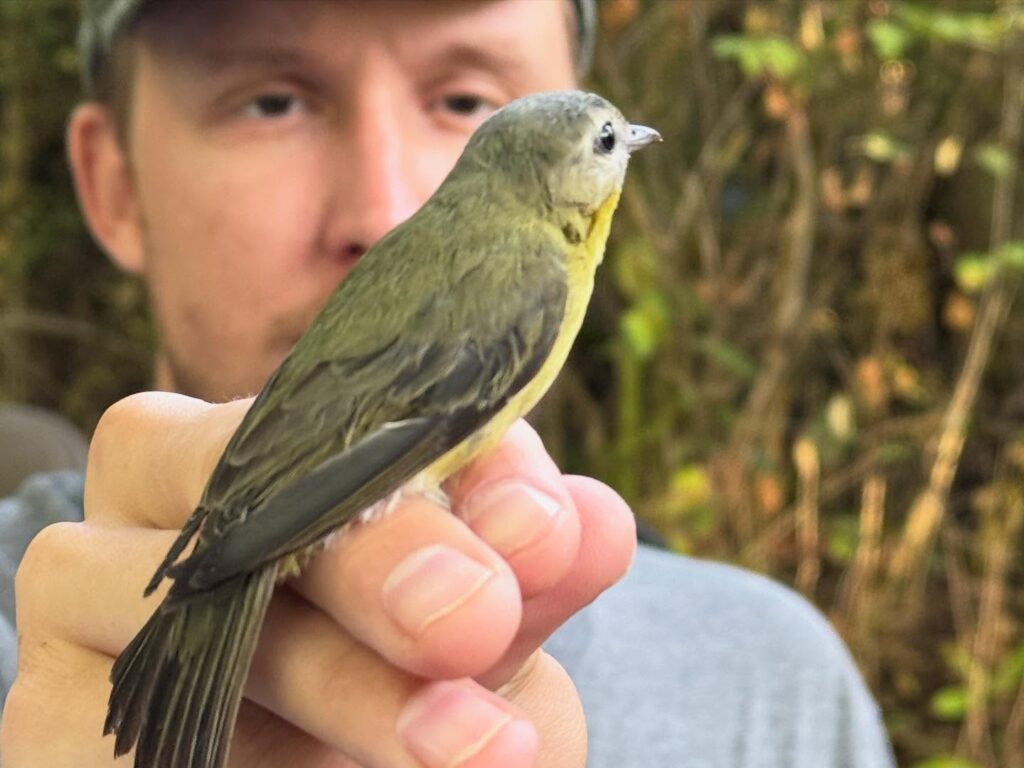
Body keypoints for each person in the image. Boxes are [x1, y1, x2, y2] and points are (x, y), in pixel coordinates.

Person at [0, 1, 896, 766]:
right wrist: (224, 561)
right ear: (109, 183)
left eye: (463, 98)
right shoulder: (536, 276)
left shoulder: (779, 687)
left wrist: (220, 545)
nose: (383, 207)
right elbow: (393, 441)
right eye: (271, 102)